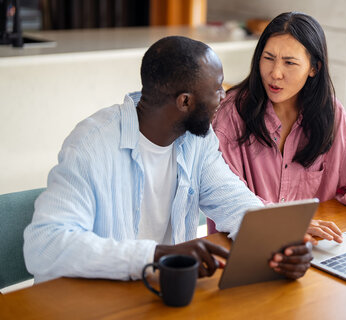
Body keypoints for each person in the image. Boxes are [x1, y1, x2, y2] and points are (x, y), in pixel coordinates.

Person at [23, 36, 312, 284]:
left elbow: (234, 201)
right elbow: (45, 246)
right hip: (93, 302)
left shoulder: (197, 141)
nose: (223, 98)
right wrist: (156, 255)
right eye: (217, 89)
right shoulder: (90, 146)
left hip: (161, 295)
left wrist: (280, 246)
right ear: (184, 102)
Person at [211, 12, 346, 242]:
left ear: (314, 68)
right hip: (246, 245)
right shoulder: (231, 114)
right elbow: (229, 198)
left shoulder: (330, 114)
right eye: (268, 57)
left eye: (290, 62)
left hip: (313, 246)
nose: (275, 73)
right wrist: (290, 225)